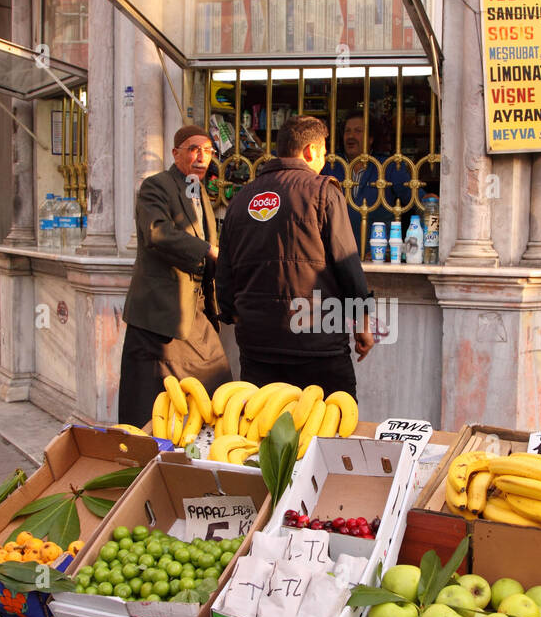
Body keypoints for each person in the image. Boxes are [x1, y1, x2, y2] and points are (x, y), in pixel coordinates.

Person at [215, 114, 374, 399]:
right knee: (328, 433)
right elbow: (347, 266)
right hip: (317, 347)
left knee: (265, 435)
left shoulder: (240, 199)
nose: (323, 160)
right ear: (310, 150)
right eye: (323, 152)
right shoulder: (323, 191)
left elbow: (224, 276)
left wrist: (236, 315)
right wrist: (362, 323)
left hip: (258, 350)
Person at [118, 125, 231, 427]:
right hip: (160, 312)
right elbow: (157, 232)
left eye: (208, 150)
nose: (201, 156)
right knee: (149, 397)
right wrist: (208, 250)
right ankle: (145, 455)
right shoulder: (156, 186)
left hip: (195, 310)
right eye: (194, 149)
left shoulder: (199, 190)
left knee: (216, 383)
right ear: (175, 153)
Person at [326, 113, 411, 251]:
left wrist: (430, 201)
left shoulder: (387, 166)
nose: (351, 136)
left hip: (376, 253)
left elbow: (414, 196)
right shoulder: (330, 165)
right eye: (347, 131)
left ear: (370, 138)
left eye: (358, 131)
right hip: (335, 254)